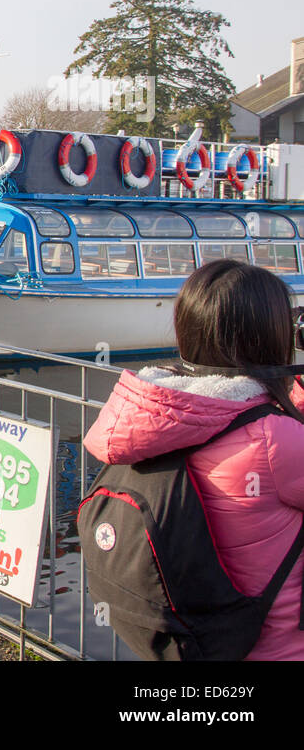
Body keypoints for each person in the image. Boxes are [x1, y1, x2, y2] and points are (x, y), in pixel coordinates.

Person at [84, 260, 304, 660]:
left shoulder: (160, 413)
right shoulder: (277, 439)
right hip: (275, 647)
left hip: (195, 637)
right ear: (272, 338)